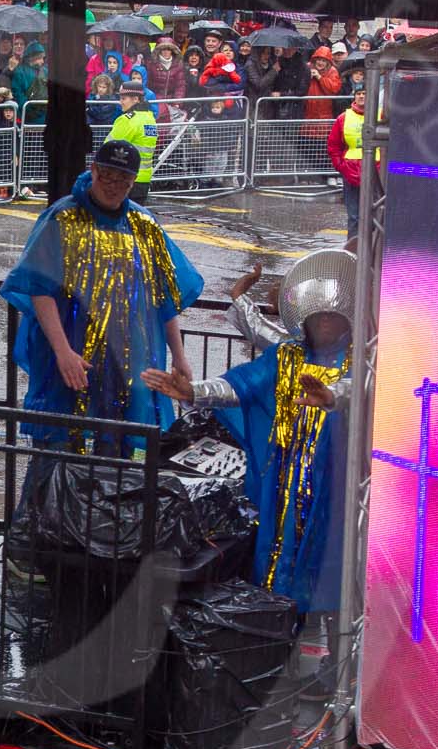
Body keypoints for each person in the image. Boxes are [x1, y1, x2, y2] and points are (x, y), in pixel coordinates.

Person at [141, 251, 355, 621]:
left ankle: (334, 643)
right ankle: (277, 625)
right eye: (316, 317)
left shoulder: (361, 358)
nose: (323, 325)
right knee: (279, 548)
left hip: (337, 485)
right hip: (284, 480)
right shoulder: (285, 356)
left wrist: (332, 396)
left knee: (331, 559)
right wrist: (193, 392)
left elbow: (363, 387)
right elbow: (238, 385)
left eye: (331, 318)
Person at [0, 138, 201, 452]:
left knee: (117, 444)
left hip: (126, 355)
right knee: (61, 438)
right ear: (93, 171)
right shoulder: (62, 217)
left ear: (133, 181)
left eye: (123, 179)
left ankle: (110, 499)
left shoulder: (144, 225)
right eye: (107, 175)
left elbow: (163, 296)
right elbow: (40, 287)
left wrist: (179, 354)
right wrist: (62, 351)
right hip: (70, 349)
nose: (114, 185)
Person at [106, 81, 158, 204]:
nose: (121, 102)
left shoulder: (128, 120)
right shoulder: (149, 118)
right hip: (143, 180)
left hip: (124, 179)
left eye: (124, 98)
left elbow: (108, 149)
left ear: (135, 99)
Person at [327, 86, 366, 247]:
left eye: (365, 94)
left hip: (376, 171)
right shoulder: (343, 118)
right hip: (350, 171)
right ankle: (353, 247)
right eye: (359, 94)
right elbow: (333, 144)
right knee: (354, 215)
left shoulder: (380, 116)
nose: (362, 97)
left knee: (374, 214)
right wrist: (340, 165)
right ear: (354, 97)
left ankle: (372, 247)